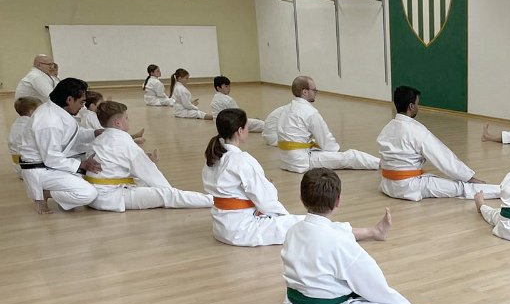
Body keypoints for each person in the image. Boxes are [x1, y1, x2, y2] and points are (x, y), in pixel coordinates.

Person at [282, 167, 510, 304]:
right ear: (338, 201)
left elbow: (329, 233)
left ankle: (374, 232)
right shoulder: (341, 246)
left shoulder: (293, 231)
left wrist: (373, 232)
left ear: (302, 199)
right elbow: (376, 289)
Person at [378, 85, 500, 202]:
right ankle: (502, 191)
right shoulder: (417, 131)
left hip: (387, 185)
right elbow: (443, 158)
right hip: (409, 186)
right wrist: (468, 177)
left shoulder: (386, 129)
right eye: (417, 104)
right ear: (411, 106)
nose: (418, 107)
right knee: (460, 187)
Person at [86, 101, 213, 212]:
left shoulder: (100, 138)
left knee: (141, 182)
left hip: (95, 193)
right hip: (110, 196)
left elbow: (116, 163)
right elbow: (151, 175)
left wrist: (146, 159)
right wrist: (169, 191)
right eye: (126, 118)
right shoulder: (125, 143)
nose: (129, 121)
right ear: (117, 123)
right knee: (167, 194)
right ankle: (214, 200)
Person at [202, 108, 302, 246]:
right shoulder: (241, 159)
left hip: (221, 227)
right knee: (302, 224)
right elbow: (266, 200)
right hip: (242, 230)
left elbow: (232, 192)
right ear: (240, 131)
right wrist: (283, 216)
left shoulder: (213, 157)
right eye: (247, 126)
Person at [18, 78, 102, 214]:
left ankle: (62, 194)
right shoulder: (49, 121)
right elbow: (51, 158)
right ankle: (46, 193)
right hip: (41, 169)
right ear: (69, 100)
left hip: (50, 163)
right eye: (81, 102)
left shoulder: (55, 110)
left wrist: (94, 133)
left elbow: (71, 134)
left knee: (94, 170)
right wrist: (81, 165)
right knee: (88, 193)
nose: (83, 107)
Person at [275, 76, 379, 173]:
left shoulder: (286, 109)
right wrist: (337, 153)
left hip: (286, 160)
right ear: (305, 92)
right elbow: (326, 140)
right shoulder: (310, 112)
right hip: (301, 161)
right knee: (351, 156)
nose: (316, 93)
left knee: (316, 145)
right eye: (314, 90)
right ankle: (382, 164)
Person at [8, 97, 41, 178]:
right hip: (31, 167)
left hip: (19, 166)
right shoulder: (30, 126)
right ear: (31, 111)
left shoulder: (16, 124)